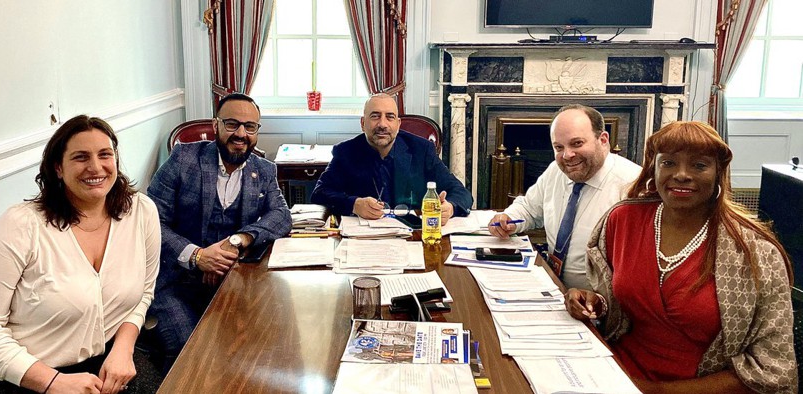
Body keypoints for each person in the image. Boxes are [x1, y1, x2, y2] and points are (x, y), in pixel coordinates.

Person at [565, 122, 797, 393]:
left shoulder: (755, 252)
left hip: (696, 387)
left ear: (718, 173)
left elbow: (775, 370)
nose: (682, 175)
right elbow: (616, 307)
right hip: (614, 373)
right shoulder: (623, 220)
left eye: (699, 165)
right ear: (654, 168)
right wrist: (595, 303)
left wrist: (656, 391)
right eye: (669, 163)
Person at [0, 115, 160, 394]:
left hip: (105, 355)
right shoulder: (19, 226)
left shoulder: (141, 211)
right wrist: (52, 382)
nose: (95, 167)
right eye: (81, 157)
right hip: (18, 371)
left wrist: (124, 348)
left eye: (105, 154)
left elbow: (144, 292)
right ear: (58, 168)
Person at [146, 92, 291, 373]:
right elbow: (149, 222)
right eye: (232, 124)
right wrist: (197, 256)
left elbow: (281, 216)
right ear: (216, 125)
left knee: (256, 342)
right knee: (188, 351)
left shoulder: (264, 170)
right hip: (174, 281)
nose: (241, 134)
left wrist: (239, 240)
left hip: (231, 278)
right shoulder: (184, 159)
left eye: (250, 127)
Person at [488, 104, 640, 289]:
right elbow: (529, 208)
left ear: (603, 140)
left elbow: (637, 271)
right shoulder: (556, 170)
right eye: (559, 147)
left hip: (600, 304)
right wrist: (510, 219)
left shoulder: (632, 187)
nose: (567, 155)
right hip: (552, 285)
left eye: (577, 143)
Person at [311, 94, 472, 224]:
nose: (382, 124)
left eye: (390, 117)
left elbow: (461, 193)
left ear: (398, 123)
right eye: (375, 116)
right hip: (364, 239)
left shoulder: (422, 150)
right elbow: (319, 193)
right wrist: (354, 204)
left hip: (412, 236)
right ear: (362, 123)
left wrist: (450, 207)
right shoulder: (345, 152)